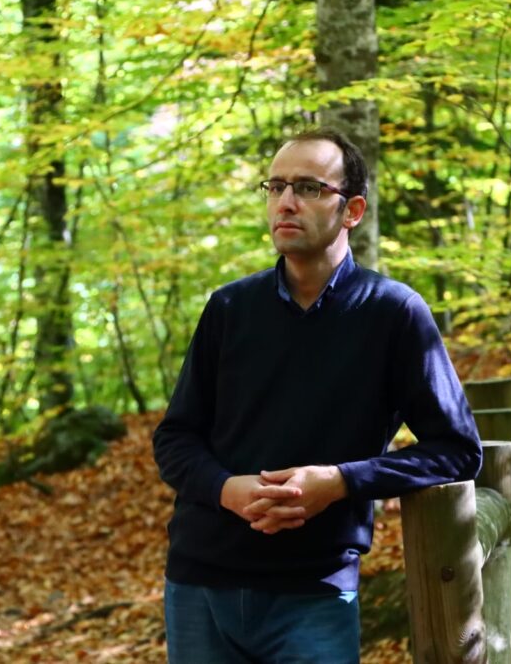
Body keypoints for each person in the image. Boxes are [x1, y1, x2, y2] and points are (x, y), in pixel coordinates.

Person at [152, 127, 482, 663]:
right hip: (200, 585)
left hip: (315, 592)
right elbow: (175, 437)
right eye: (275, 186)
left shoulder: (393, 313)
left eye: (308, 188)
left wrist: (340, 482)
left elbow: (457, 450)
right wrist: (226, 489)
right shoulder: (230, 308)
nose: (285, 202)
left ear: (352, 210)